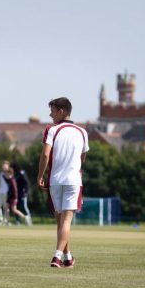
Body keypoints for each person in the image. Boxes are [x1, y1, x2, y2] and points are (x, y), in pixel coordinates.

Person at [37, 97, 89, 268]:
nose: (50, 115)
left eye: (52, 111)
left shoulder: (51, 130)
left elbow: (45, 155)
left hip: (55, 181)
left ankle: (66, 257)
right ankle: (59, 256)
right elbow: (83, 157)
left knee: (61, 222)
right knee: (65, 221)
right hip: (73, 181)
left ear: (61, 111)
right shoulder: (83, 132)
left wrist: (40, 176)